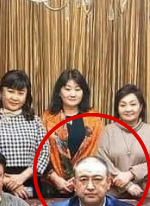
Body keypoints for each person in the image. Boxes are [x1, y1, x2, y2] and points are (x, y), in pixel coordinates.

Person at [0, 69, 50, 199]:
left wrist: (22, 177)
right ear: (0, 93)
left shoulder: (35, 121)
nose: (15, 97)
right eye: (10, 91)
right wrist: (8, 182)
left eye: (20, 93)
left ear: (26, 96)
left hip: (30, 181)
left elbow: (44, 153)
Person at [41, 69, 105, 197]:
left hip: (86, 186)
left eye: (77, 89)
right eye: (68, 89)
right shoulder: (47, 118)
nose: (73, 94)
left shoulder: (94, 119)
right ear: (59, 92)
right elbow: (40, 151)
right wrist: (55, 178)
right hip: (52, 186)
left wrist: (79, 179)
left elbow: (99, 151)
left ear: (83, 92)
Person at [97, 84, 150, 198]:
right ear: (117, 108)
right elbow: (101, 160)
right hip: (113, 195)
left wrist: (131, 174)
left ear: (141, 106)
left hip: (146, 195)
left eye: (133, 104)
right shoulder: (108, 131)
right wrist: (127, 185)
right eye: (123, 105)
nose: (128, 109)